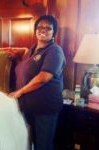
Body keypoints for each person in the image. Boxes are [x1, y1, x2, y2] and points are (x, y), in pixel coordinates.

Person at [8, 15, 66, 150]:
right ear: (35, 30)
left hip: (44, 109)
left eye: (48, 28)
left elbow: (43, 77)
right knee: (30, 143)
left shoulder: (54, 51)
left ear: (54, 33)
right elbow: (25, 68)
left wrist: (19, 92)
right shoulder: (32, 49)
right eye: (40, 27)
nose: (43, 30)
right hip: (28, 107)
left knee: (43, 146)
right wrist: (15, 57)